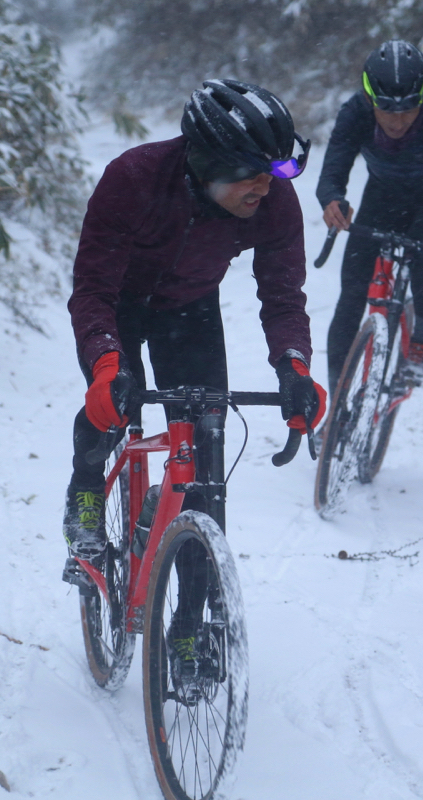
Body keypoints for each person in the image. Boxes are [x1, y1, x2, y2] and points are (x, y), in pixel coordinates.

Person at [62, 79, 327, 684]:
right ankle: (83, 486)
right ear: (207, 163)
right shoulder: (133, 178)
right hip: (120, 307)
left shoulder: (274, 201)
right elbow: (93, 290)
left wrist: (295, 369)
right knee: (111, 406)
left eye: (280, 168)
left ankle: (187, 626)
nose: (268, 184)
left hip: (190, 310)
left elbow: (283, 296)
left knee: (206, 471)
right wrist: (107, 366)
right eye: (253, 173)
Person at [316, 39, 423, 398]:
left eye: (408, 110)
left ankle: (420, 341)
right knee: (352, 292)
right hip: (384, 195)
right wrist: (333, 200)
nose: (397, 120)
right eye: (386, 110)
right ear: (370, 100)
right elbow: (333, 169)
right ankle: (336, 405)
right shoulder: (355, 112)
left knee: (422, 253)